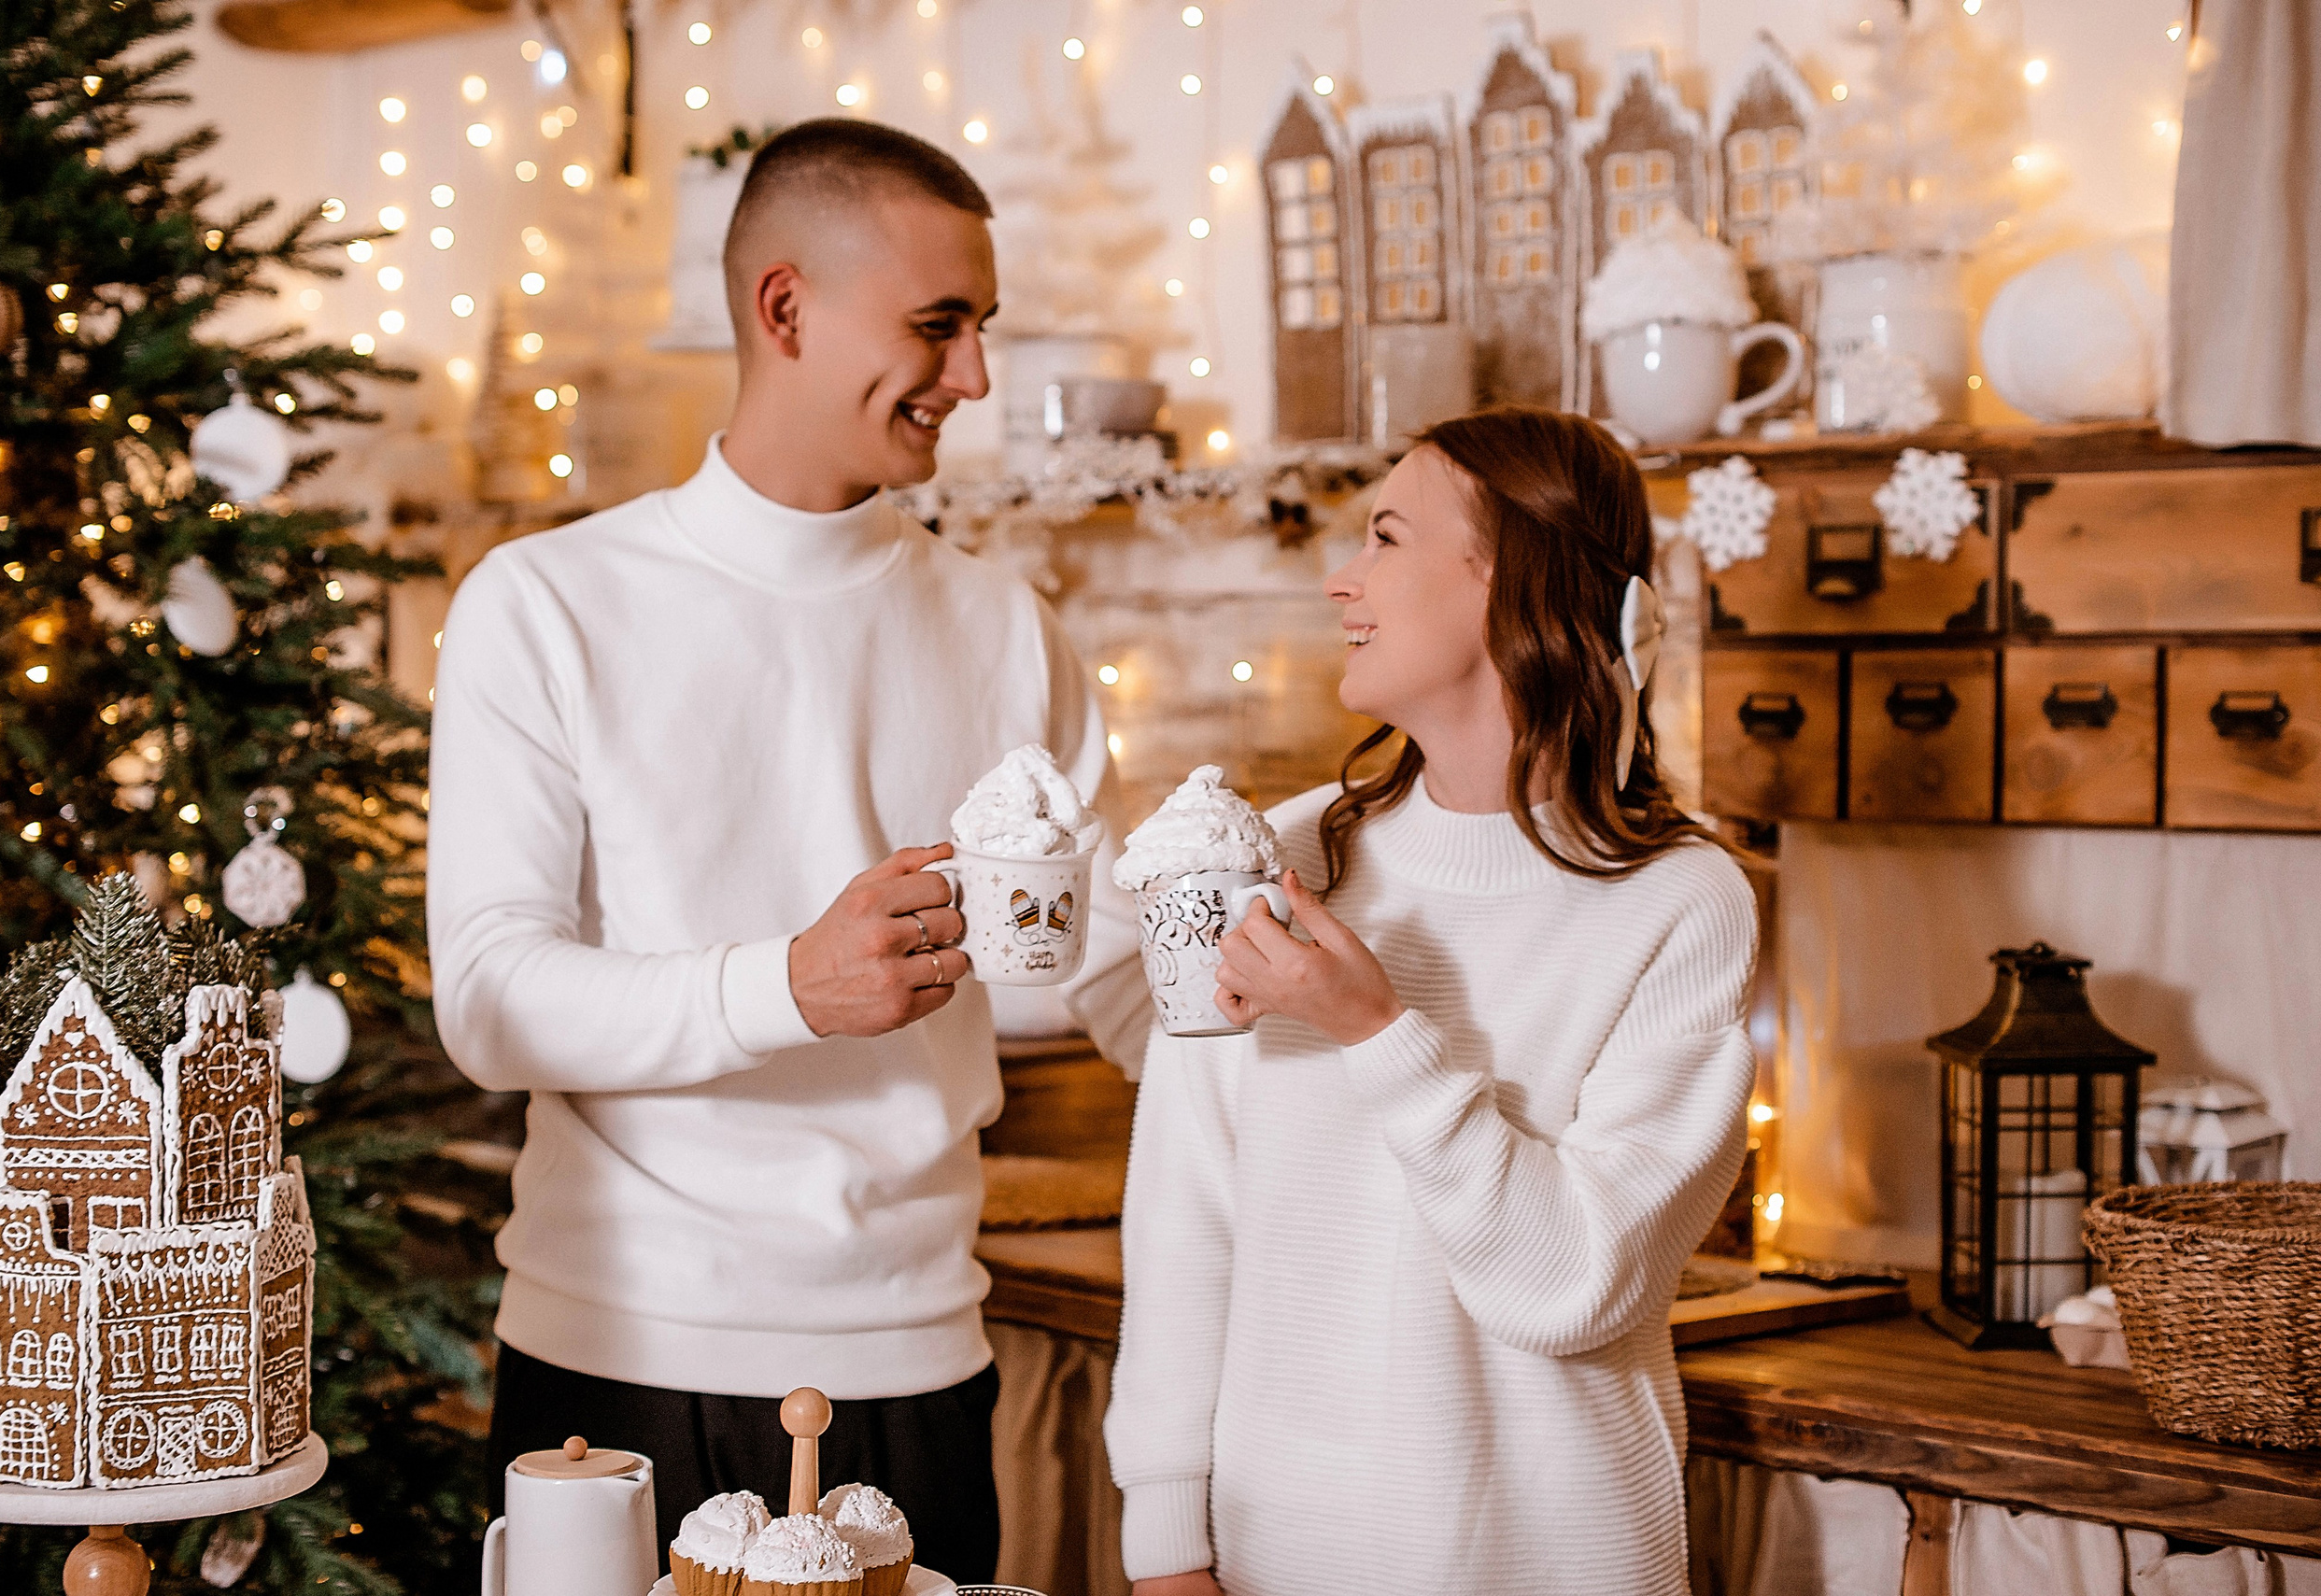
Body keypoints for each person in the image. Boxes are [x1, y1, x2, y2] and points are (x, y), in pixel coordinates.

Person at [429, 119, 1142, 1580]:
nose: (976, 378)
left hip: (920, 1368)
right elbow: (490, 1001)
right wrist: (789, 987)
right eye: (939, 328)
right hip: (617, 1362)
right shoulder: (544, 602)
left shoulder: (1009, 627)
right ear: (784, 307)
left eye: (983, 331)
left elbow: (1118, 974)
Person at [1104, 407, 1758, 1596]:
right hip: (1275, 1554)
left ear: (1515, 581)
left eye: (1387, 537)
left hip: (1563, 1555)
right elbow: (1185, 1216)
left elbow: (1579, 1282)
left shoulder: (1681, 899)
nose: (1340, 580)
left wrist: (1376, 1028)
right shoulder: (1272, 858)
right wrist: (1164, 1541)